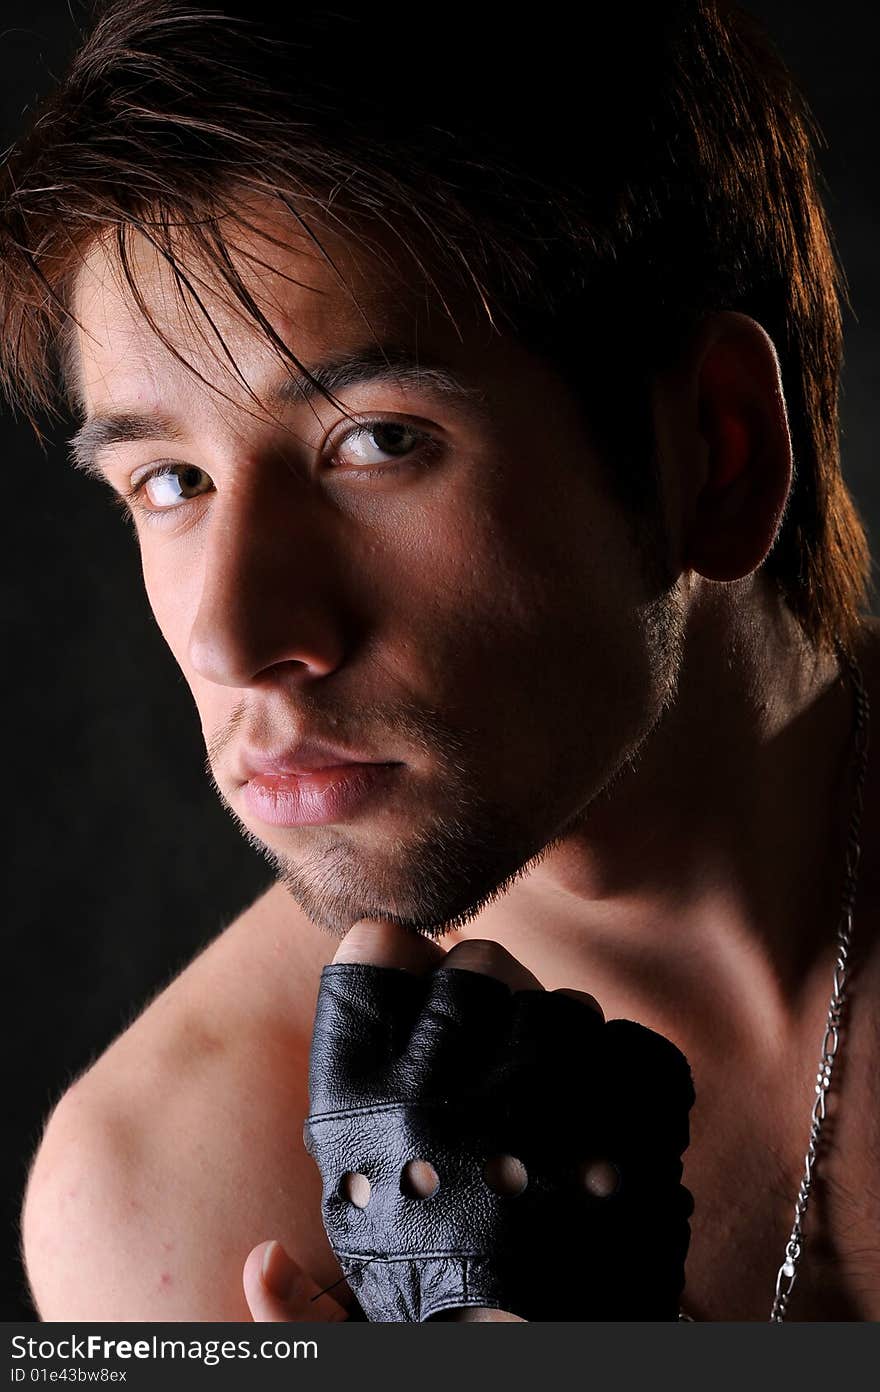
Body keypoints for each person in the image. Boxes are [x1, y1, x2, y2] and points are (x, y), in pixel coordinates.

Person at [2, 0, 878, 1323]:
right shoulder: (165, 1196)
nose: (235, 639)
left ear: (716, 448)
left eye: (378, 444)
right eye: (167, 478)